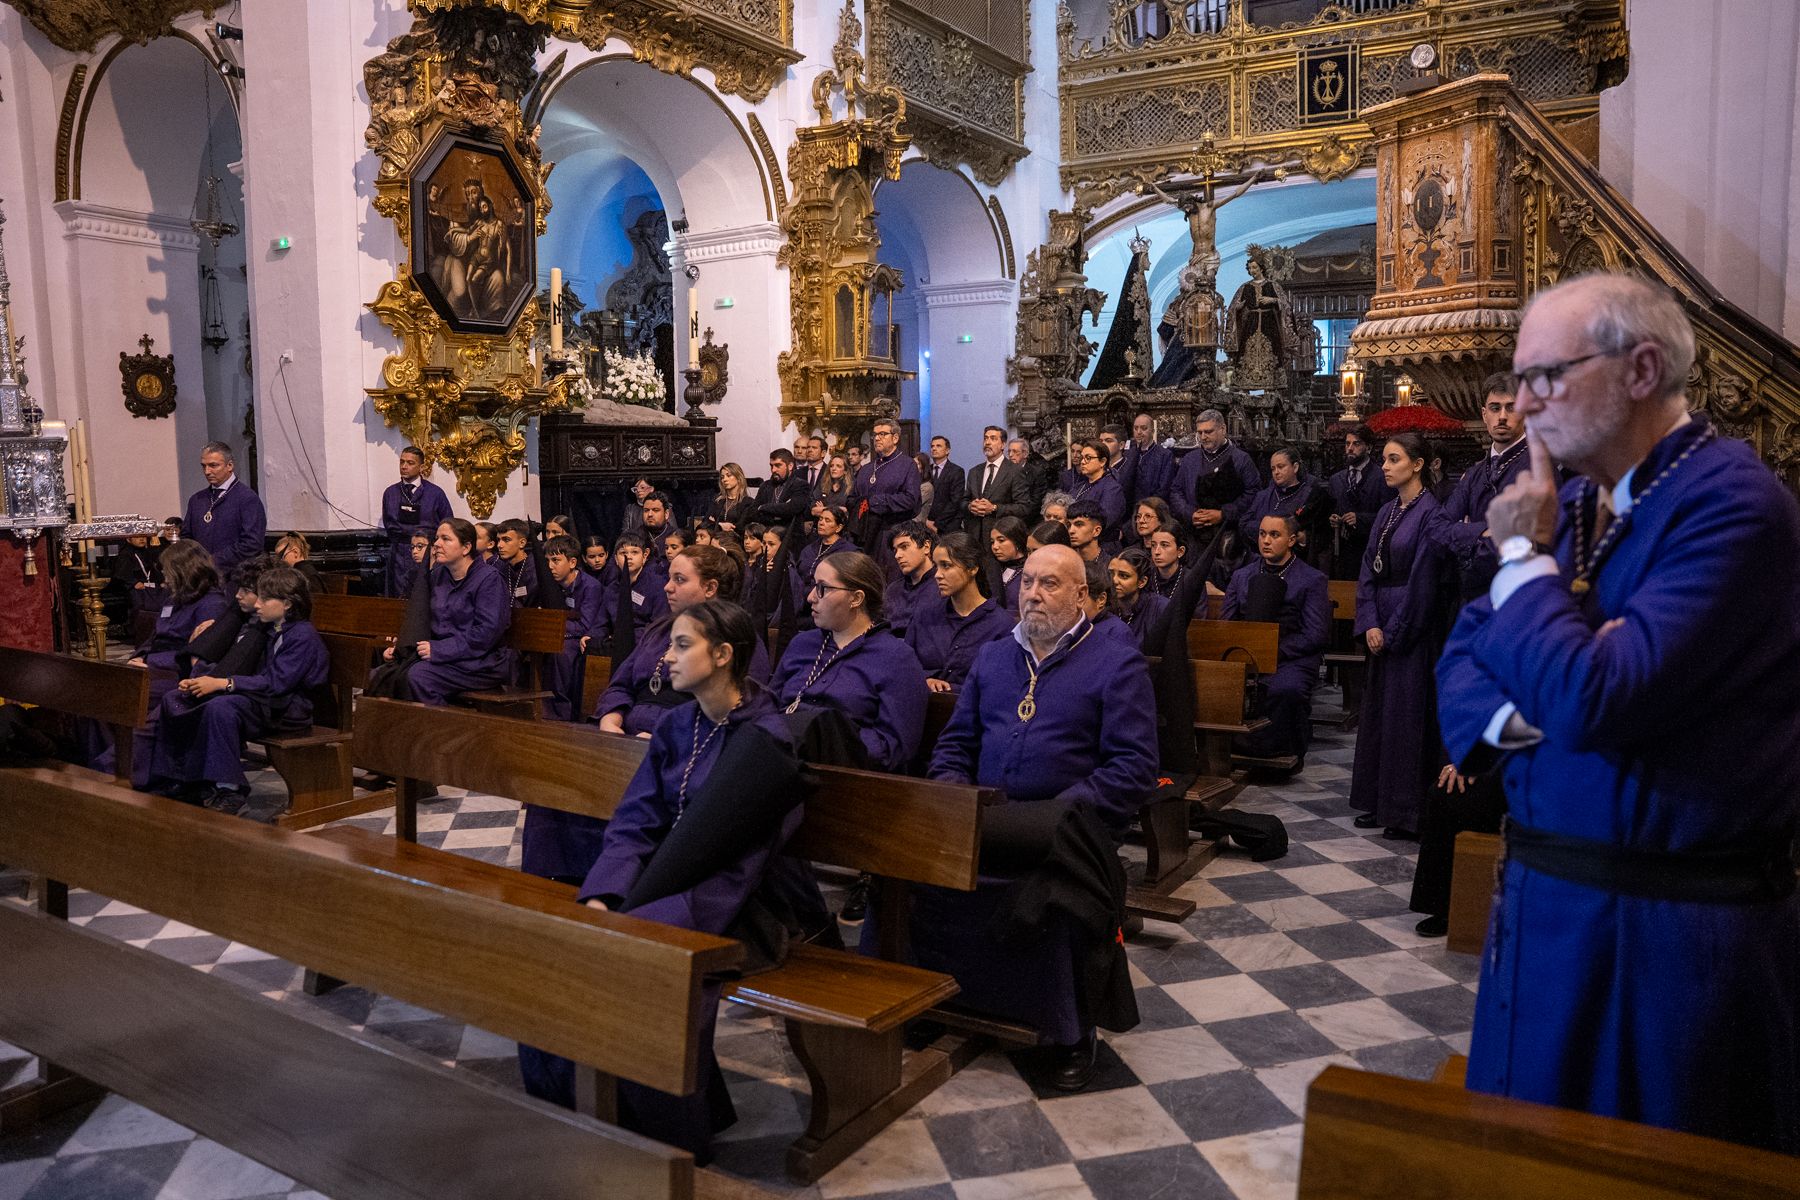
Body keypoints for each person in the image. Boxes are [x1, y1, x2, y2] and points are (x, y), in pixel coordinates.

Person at [1437, 272, 1800, 1154]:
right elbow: (1466, 650)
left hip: (1669, 936)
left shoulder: (1731, 506)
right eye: (1517, 381)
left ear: (1641, 369)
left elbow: (1598, 697)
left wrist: (1522, 558)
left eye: (1545, 377)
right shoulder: (1566, 499)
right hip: (1547, 908)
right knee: (1520, 1160)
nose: (1521, 407)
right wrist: (1535, 724)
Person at [522, 599, 806, 1157]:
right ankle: (586, 1106)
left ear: (723, 655)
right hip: (661, 888)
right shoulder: (680, 724)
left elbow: (745, 860)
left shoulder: (768, 741)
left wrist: (652, 912)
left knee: (640, 961)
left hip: (742, 904)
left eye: (682, 645)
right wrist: (604, 895)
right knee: (569, 943)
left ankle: (665, 1137)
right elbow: (634, 822)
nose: (665, 657)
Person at [915, 545, 1157, 1090]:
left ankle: (1066, 1031)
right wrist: (956, 798)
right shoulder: (997, 656)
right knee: (911, 877)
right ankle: (932, 998)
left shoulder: (1116, 663)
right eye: (1027, 582)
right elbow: (955, 744)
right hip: (984, 819)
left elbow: (1133, 767)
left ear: (1081, 596)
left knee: (1052, 900)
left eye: (1050, 584)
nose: (1033, 594)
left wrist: (1055, 815)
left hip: (1066, 832)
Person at [150, 567, 328, 814]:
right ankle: (182, 778)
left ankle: (230, 789)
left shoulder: (302, 636)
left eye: (265, 599)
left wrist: (224, 684)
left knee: (220, 708)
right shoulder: (270, 628)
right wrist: (203, 680)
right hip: (262, 702)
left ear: (287, 604)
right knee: (176, 699)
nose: (259, 604)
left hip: (286, 710)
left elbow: (277, 684)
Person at [1349, 434, 1449, 839]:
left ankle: (1406, 810)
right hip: (1382, 624)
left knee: (1406, 717)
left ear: (1418, 464)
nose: (1385, 467)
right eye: (1385, 460)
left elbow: (1425, 580)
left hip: (1411, 629)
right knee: (1378, 716)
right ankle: (1378, 800)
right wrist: (1370, 622)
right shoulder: (1388, 510)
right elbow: (1367, 571)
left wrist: (1393, 630)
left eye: (1394, 460)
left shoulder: (1432, 512)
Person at [770, 550, 928, 773]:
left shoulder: (896, 658)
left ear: (856, 598)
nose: (811, 597)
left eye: (823, 588)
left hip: (847, 781)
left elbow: (894, 748)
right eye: (813, 586)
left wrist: (822, 739)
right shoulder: (802, 644)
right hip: (780, 762)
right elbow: (770, 706)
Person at [594, 545, 768, 737]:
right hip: (625, 736)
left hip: (688, 745)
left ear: (710, 588)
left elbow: (740, 712)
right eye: (669, 578)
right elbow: (620, 685)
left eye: (679, 579)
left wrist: (668, 741)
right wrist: (611, 718)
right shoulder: (658, 630)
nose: (667, 587)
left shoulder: (739, 638)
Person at [1223, 514, 1331, 768]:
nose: (1266, 541)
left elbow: (1316, 633)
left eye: (1274, 535)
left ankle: (1279, 750)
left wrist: (1273, 652)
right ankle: (1230, 749)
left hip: (1291, 656)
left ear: (1292, 540)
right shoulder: (1242, 576)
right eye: (1262, 534)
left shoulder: (1311, 579)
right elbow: (1227, 624)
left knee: (1285, 690)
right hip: (1246, 655)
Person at [379, 519, 510, 705]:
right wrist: (403, 647)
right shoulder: (439, 575)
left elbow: (486, 633)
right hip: (446, 658)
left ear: (465, 547)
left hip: (481, 662)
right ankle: (407, 732)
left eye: (446, 539)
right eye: (437, 538)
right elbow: (423, 619)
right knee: (383, 674)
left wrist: (441, 650)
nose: (437, 544)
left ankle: (447, 731)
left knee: (418, 677)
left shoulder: (489, 580)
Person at [1439, 373, 1536, 601]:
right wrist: (1482, 531)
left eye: (1511, 408)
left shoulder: (1538, 467)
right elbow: (1436, 529)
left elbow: (1520, 540)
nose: (1502, 417)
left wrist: (1465, 535)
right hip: (1474, 597)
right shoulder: (1474, 473)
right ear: (1484, 414)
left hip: (1517, 594)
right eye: (1495, 408)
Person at [906, 532, 1015, 692]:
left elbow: (1001, 683)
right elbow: (903, 665)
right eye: (936, 566)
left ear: (972, 568)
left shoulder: (1000, 625)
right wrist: (925, 679)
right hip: (922, 707)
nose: (937, 575)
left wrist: (953, 689)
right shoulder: (924, 615)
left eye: (946, 565)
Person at [1168, 409, 1260, 562]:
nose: (1203, 437)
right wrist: (1189, 513)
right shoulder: (1190, 459)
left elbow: (1254, 493)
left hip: (1228, 536)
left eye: (1208, 432)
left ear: (1223, 429)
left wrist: (1223, 514)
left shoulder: (1241, 460)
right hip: (1193, 535)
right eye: (1200, 432)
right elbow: (1176, 491)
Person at [540, 535, 607, 722]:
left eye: (556, 560)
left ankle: (562, 712)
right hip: (556, 634)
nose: (550, 566)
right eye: (548, 561)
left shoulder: (590, 587)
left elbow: (586, 624)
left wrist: (554, 627)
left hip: (580, 637)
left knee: (561, 651)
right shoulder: (549, 584)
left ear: (572, 562)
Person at [850, 419, 922, 578]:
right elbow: (852, 498)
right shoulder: (866, 469)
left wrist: (876, 502)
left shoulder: (907, 465)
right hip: (864, 534)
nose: (877, 438)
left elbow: (911, 500)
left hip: (891, 534)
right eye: (875, 435)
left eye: (882, 434)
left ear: (895, 438)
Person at [182, 440, 267, 575]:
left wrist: (214, 560)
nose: (207, 471)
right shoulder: (197, 500)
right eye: (203, 466)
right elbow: (187, 537)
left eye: (213, 465)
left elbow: (252, 543)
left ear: (230, 466)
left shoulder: (247, 498)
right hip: (200, 576)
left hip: (234, 577)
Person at [1238, 447, 1333, 563]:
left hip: (1297, 562)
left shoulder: (1310, 496)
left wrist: (1304, 538)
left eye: (1281, 467)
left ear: (1295, 467)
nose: (1276, 472)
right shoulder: (1262, 496)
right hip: (1260, 560)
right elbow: (1243, 524)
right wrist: (1276, 531)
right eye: (1273, 469)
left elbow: (1321, 535)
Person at [380, 445, 452, 598]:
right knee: (399, 596)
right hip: (399, 553)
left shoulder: (435, 493)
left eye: (410, 463)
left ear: (422, 466)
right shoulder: (390, 493)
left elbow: (448, 524)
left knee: (425, 595)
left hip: (428, 554)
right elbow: (388, 524)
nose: (404, 466)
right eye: (402, 462)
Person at [1326, 424, 1392, 580]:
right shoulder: (1336, 479)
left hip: (1369, 549)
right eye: (1347, 443)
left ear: (1368, 447)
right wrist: (1333, 519)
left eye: (1356, 444)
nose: (1350, 448)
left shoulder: (1382, 478)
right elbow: (1331, 510)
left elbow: (1389, 516)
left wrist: (1360, 519)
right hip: (1342, 551)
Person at [964, 426, 1031, 554]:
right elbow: (963, 501)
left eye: (993, 438)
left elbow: (1023, 507)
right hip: (973, 538)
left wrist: (994, 508)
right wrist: (970, 506)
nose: (987, 442)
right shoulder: (974, 471)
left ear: (1003, 445)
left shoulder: (1014, 471)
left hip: (1000, 539)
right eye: (985, 438)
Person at [1066, 439, 1128, 541]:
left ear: (1102, 462)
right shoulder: (1079, 486)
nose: (1082, 462)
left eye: (1088, 458)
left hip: (1101, 544)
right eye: (1082, 458)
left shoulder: (1112, 488)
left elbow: (1105, 521)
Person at [1108, 547, 1169, 650]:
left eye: (1123, 576)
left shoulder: (1160, 608)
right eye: (1111, 573)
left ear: (1142, 582)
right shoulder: (1102, 605)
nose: (1114, 580)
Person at [886, 520, 938, 638]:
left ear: (926, 546)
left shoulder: (944, 585)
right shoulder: (893, 590)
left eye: (904, 547)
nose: (897, 555)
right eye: (895, 550)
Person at [109, 533, 163, 646]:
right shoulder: (125, 554)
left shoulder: (148, 552)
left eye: (143, 536)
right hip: (134, 587)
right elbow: (120, 574)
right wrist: (133, 583)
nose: (142, 539)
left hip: (151, 586)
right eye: (138, 537)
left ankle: (159, 632)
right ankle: (141, 634)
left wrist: (161, 581)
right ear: (129, 539)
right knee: (139, 601)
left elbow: (154, 570)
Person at [798, 504, 855, 594]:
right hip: (802, 599)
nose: (821, 523)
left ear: (839, 527)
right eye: (820, 519)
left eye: (827, 520)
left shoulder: (848, 552)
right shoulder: (809, 549)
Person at [1123, 413, 1175, 507]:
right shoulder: (1127, 454)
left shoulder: (1165, 455)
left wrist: (1147, 507)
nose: (1139, 432)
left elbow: (1164, 489)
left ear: (1152, 431)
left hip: (1153, 508)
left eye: (1143, 428)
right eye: (1136, 428)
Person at [753, 449, 811, 528]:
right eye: (771, 466)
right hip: (766, 531)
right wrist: (780, 508)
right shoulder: (765, 486)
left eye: (778, 465)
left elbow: (791, 508)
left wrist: (763, 507)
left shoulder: (800, 485)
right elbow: (754, 511)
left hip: (789, 534)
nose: (773, 470)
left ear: (790, 466)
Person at [491, 518, 542, 609]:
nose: (499, 545)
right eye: (498, 540)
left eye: (506, 540)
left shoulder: (537, 569)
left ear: (522, 543)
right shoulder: (498, 568)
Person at [924, 435, 965, 534]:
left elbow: (955, 501)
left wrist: (936, 524)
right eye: (932, 446)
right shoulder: (926, 470)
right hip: (925, 524)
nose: (934, 448)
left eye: (938, 446)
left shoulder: (956, 471)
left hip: (946, 525)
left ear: (947, 451)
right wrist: (926, 521)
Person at [988, 516, 1029, 612]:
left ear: (1017, 541)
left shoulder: (1030, 570)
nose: (995, 546)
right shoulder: (993, 568)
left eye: (1001, 540)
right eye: (992, 542)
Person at [1008, 436, 1052, 516]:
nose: (1011, 455)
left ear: (1025, 454)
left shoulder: (1037, 472)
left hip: (1028, 517)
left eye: (1015, 451)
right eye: (1009, 451)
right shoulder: (1005, 471)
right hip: (1007, 515)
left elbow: (1037, 501)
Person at [1145, 522, 1189, 598]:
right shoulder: (1146, 577)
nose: (1156, 552)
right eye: (1153, 545)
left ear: (1180, 551)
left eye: (1164, 545)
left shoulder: (1191, 580)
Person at [1063, 499, 1113, 566]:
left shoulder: (1110, 567)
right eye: (1069, 525)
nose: (1071, 531)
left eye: (1079, 524)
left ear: (1096, 531)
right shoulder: (1063, 561)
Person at [709, 463, 754, 532]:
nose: (724, 479)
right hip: (716, 538)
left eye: (729, 475)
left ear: (738, 478)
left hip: (736, 540)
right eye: (722, 477)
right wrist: (720, 525)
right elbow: (706, 522)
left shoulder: (748, 502)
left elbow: (740, 527)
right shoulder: (717, 499)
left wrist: (715, 523)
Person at [639, 492, 679, 567]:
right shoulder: (633, 536)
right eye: (646, 510)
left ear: (666, 514)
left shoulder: (677, 537)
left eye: (655, 510)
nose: (650, 514)